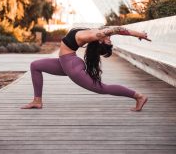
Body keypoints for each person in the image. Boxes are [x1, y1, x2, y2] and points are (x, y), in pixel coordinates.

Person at [21, 26, 151, 111]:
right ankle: (37, 101)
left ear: (100, 41)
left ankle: (138, 96)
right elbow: (118, 29)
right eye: (109, 40)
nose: (110, 39)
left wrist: (138, 34)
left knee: (102, 88)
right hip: (68, 62)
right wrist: (139, 34)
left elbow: (118, 29)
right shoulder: (98, 30)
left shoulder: (98, 35)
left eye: (108, 42)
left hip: (71, 65)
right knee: (35, 66)